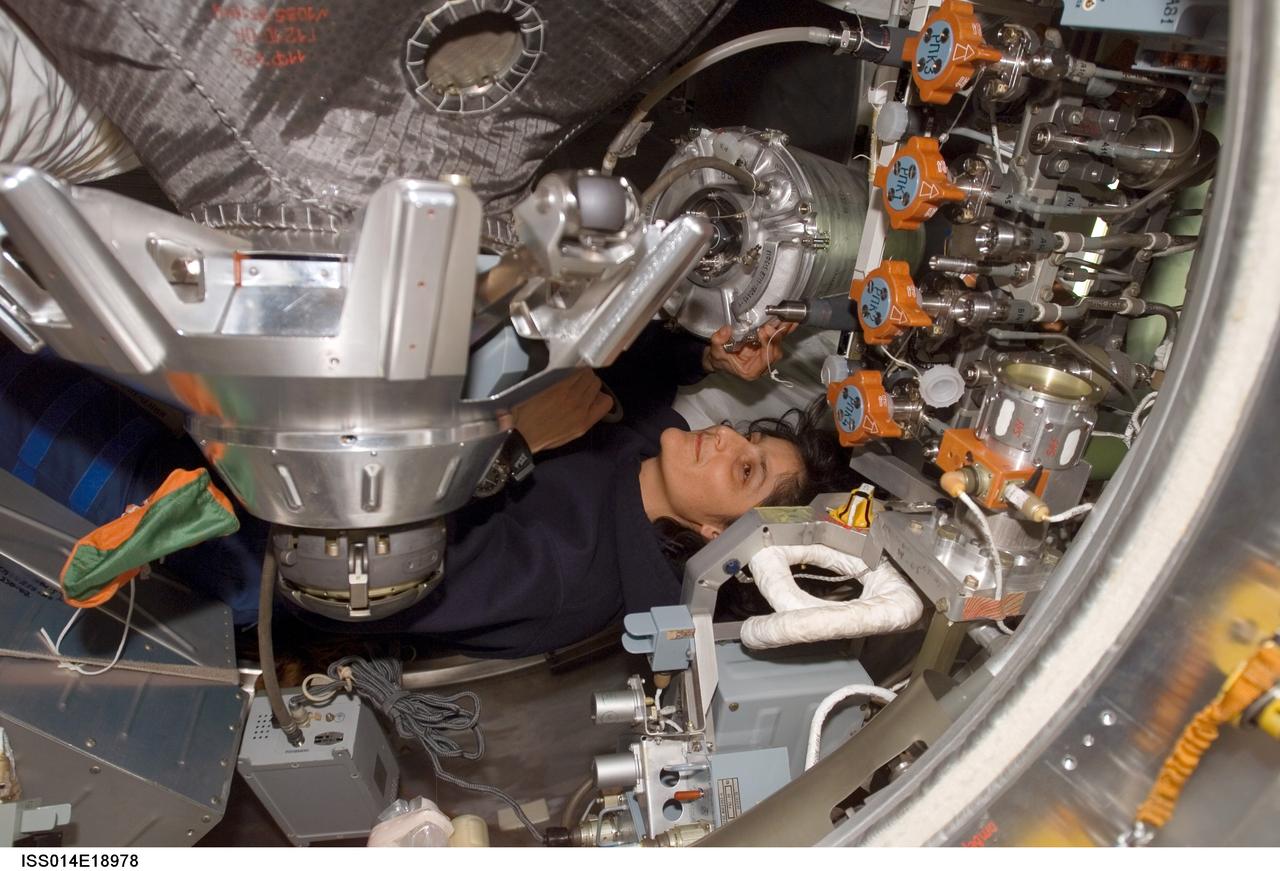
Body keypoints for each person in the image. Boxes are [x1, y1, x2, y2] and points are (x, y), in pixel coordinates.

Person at [0, 320, 851, 657]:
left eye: (745, 470)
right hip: (285, 430)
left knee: (25, 400)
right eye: (756, 434)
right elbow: (631, 395)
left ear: (711, 534)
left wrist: (511, 439)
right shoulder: (642, 459)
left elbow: (357, 586)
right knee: (60, 329)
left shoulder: (570, 579)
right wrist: (705, 353)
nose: (732, 434)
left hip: (231, 536)